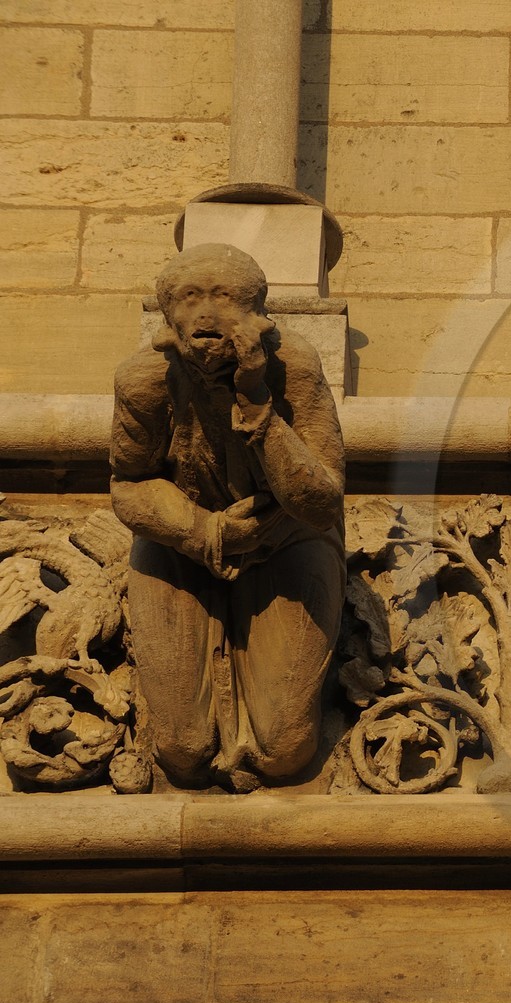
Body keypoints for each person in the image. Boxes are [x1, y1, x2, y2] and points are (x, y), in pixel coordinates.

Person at [111, 243, 345, 789]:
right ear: (169, 315)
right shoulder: (143, 380)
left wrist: (258, 401)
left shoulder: (295, 368)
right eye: (191, 298)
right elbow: (127, 484)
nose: (208, 318)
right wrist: (206, 532)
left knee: (285, 749)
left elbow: (321, 502)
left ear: (257, 315)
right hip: (180, 546)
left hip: (288, 538)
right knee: (182, 750)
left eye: (225, 298)